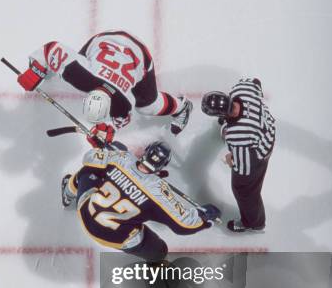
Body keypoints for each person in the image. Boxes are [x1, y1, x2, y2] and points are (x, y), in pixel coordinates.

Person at [16, 30, 193, 143]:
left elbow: (50, 49)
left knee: (148, 106)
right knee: (149, 107)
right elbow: (51, 49)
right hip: (118, 44)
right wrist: (37, 70)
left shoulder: (120, 99)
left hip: (126, 49)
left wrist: (36, 70)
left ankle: (182, 106)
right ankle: (180, 106)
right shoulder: (118, 102)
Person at [61, 140, 221, 261]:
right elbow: (183, 226)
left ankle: (68, 192)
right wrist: (205, 218)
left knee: (88, 171)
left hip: (85, 213)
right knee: (160, 252)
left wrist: (108, 151)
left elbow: (89, 158)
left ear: (145, 152)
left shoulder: (121, 158)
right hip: (115, 236)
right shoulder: (158, 191)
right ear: (163, 165)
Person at [202, 78, 275, 232]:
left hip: (260, 150)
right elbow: (255, 82)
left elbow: (244, 169)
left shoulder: (236, 136)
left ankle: (254, 223)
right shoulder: (243, 90)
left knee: (243, 189)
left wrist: (232, 160)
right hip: (266, 127)